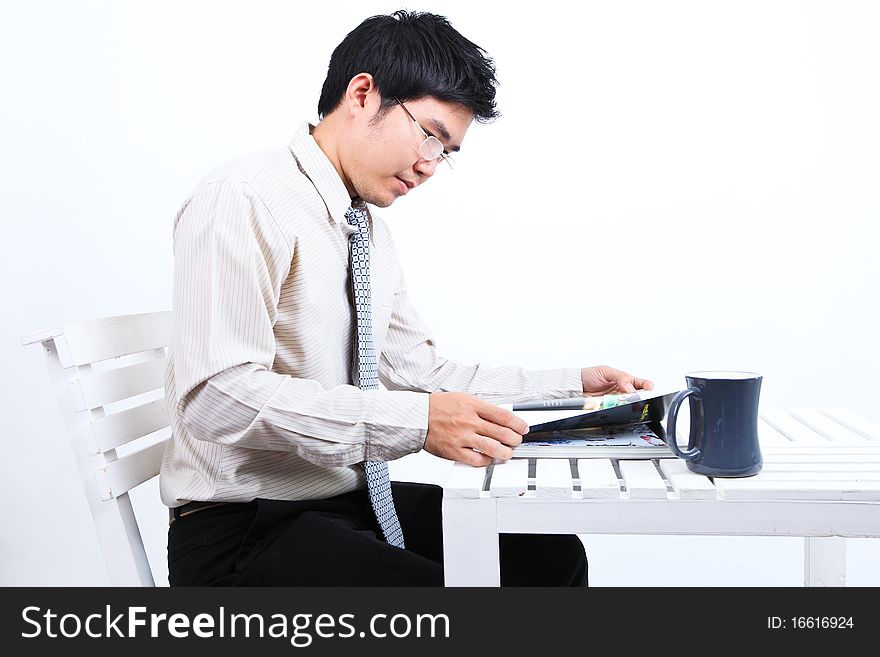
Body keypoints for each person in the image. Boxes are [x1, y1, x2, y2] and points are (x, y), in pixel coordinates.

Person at [161, 9, 653, 587]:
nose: (429, 166)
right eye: (430, 136)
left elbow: (417, 373)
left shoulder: (364, 228)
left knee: (547, 555)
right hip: (242, 531)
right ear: (363, 93)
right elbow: (217, 397)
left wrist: (571, 386)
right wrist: (417, 423)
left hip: (339, 504)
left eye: (446, 153)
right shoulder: (244, 198)